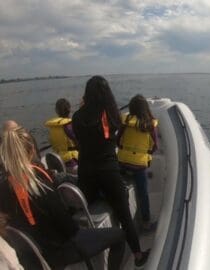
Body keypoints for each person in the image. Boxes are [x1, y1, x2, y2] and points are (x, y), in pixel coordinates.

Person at [0, 125, 126, 270]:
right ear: (31, 151)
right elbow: (68, 229)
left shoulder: (3, 188)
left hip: (31, 257)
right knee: (119, 236)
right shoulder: (41, 181)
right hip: (60, 250)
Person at [72, 75, 149, 268]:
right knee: (123, 213)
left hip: (86, 174)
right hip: (108, 172)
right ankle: (138, 255)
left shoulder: (77, 117)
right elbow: (112, 132)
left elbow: (80, 140)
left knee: (82, 205)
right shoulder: (113, 115)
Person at [117, 94, 159, 231]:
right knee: (143, 194)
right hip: (139, 166)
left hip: (122, 163)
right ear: (145, 108)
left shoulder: (125, 121)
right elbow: (154, 146)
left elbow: (118, 140)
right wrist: (146, 155)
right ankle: (146, 222)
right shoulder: (150, 125)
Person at [45, 98, 79, 174]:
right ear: (69, 109)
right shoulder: (69, 126)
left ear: (56, 111)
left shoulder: (52, 127)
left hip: (59, 162)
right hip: (73, 164)